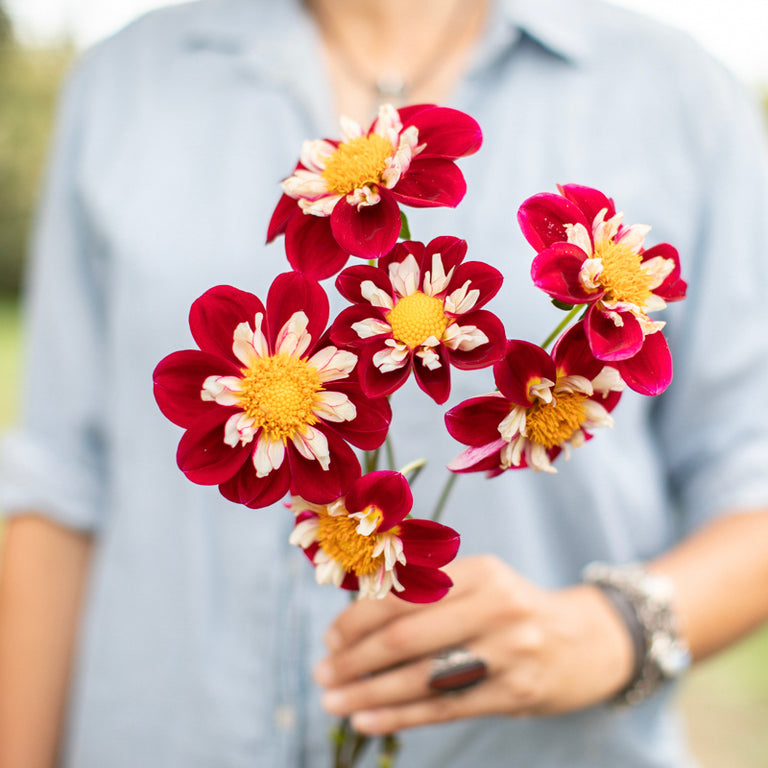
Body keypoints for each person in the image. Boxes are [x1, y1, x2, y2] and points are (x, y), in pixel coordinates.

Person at [1, 0, 768, 766]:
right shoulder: (124, 82)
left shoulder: (679, 94)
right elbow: (60, 484)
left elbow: (752, 472)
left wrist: (617, 629)